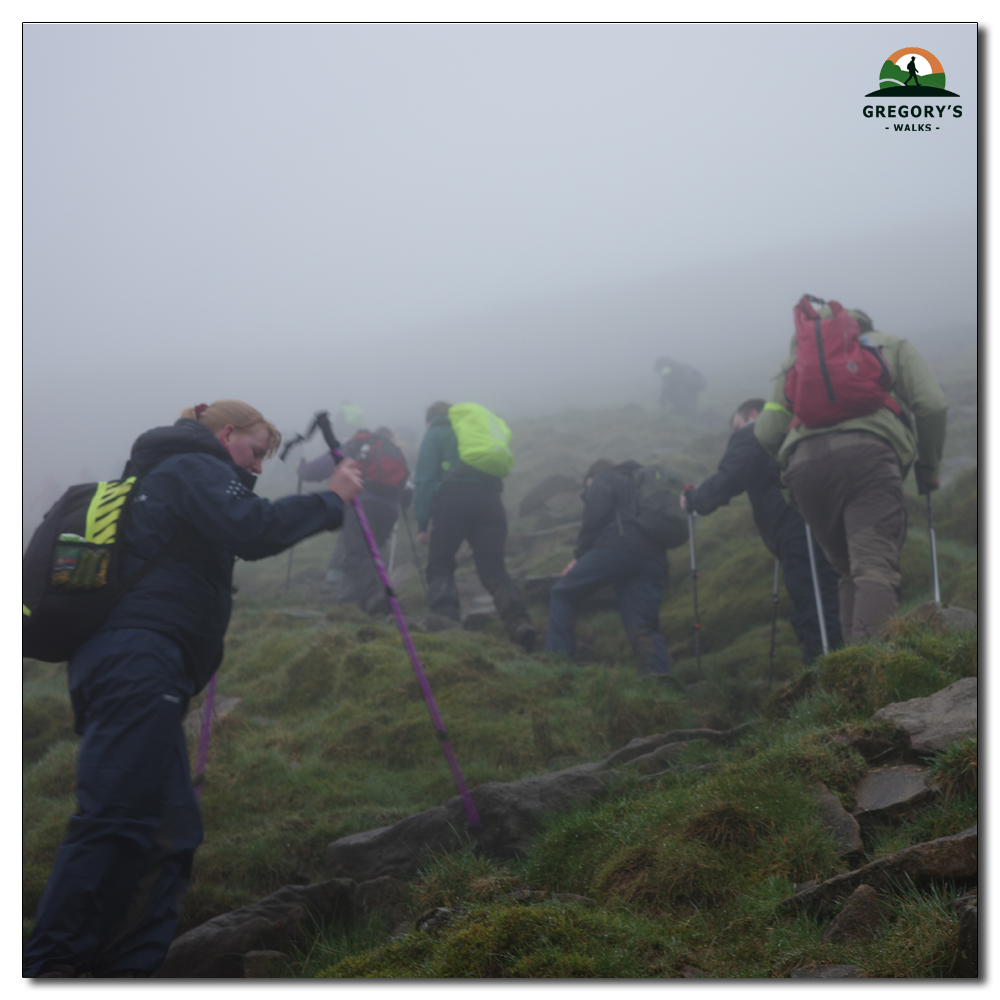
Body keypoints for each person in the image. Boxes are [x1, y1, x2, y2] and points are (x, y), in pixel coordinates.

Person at [23, 400, 363, 978]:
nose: (256, 468)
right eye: (255, 451)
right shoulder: (190, 464)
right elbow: (255, 529)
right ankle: (51, 967)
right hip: (139, 661)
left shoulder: (159, 480)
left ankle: (127, 971)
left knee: (171, 830)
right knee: (117, 819)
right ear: (225, 433)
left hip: (129, 663)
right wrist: (331, 499)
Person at [755, 307, 948, 644]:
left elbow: (767, 432)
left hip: (805, 470)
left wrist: (799, 461)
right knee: (873, 568)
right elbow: (931, 405)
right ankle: (872, 676)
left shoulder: (799, 359)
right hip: (868, 459)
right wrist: (928, 469)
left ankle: (851, 677)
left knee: (847, 573)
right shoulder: (892, 344)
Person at [680, 398, 842, 662]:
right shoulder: (789, 432)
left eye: (736, 425)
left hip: (795, 529)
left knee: (815, 609)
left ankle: (828, 680)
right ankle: (846, 667)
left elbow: (730, 477)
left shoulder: (753, 433)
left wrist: (694, 499)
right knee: (828, 599)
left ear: (753, 414)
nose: (736, 432)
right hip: (823, 521)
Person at [414, 401, 535, 651]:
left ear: (430, 419)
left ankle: (446, 628)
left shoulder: (436, 432)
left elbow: (425, 479)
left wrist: (422, 522)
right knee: (493, 569)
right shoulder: (474, 431)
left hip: (452, 500)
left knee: (440, 566)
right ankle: (519, 623)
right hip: (489, 500)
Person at [546, 459, 671, 677]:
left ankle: (556, 664)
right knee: (643, 626)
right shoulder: (642, 483)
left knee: (562, 593)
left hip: (616, 549)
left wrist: (579, 556)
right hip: (653, 559)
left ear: (592, 478)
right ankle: (658, 679)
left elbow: (593, 519)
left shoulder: (603, 479)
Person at [298, 426, 411, 615]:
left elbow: (318, 469)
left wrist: (301, 469)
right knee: (372, 554)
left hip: (362, 504)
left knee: (357, 555)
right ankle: (358, 600)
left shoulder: (356, 445)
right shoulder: (392, 449)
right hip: (390, 509)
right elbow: (406, 484)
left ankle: (374, 600)